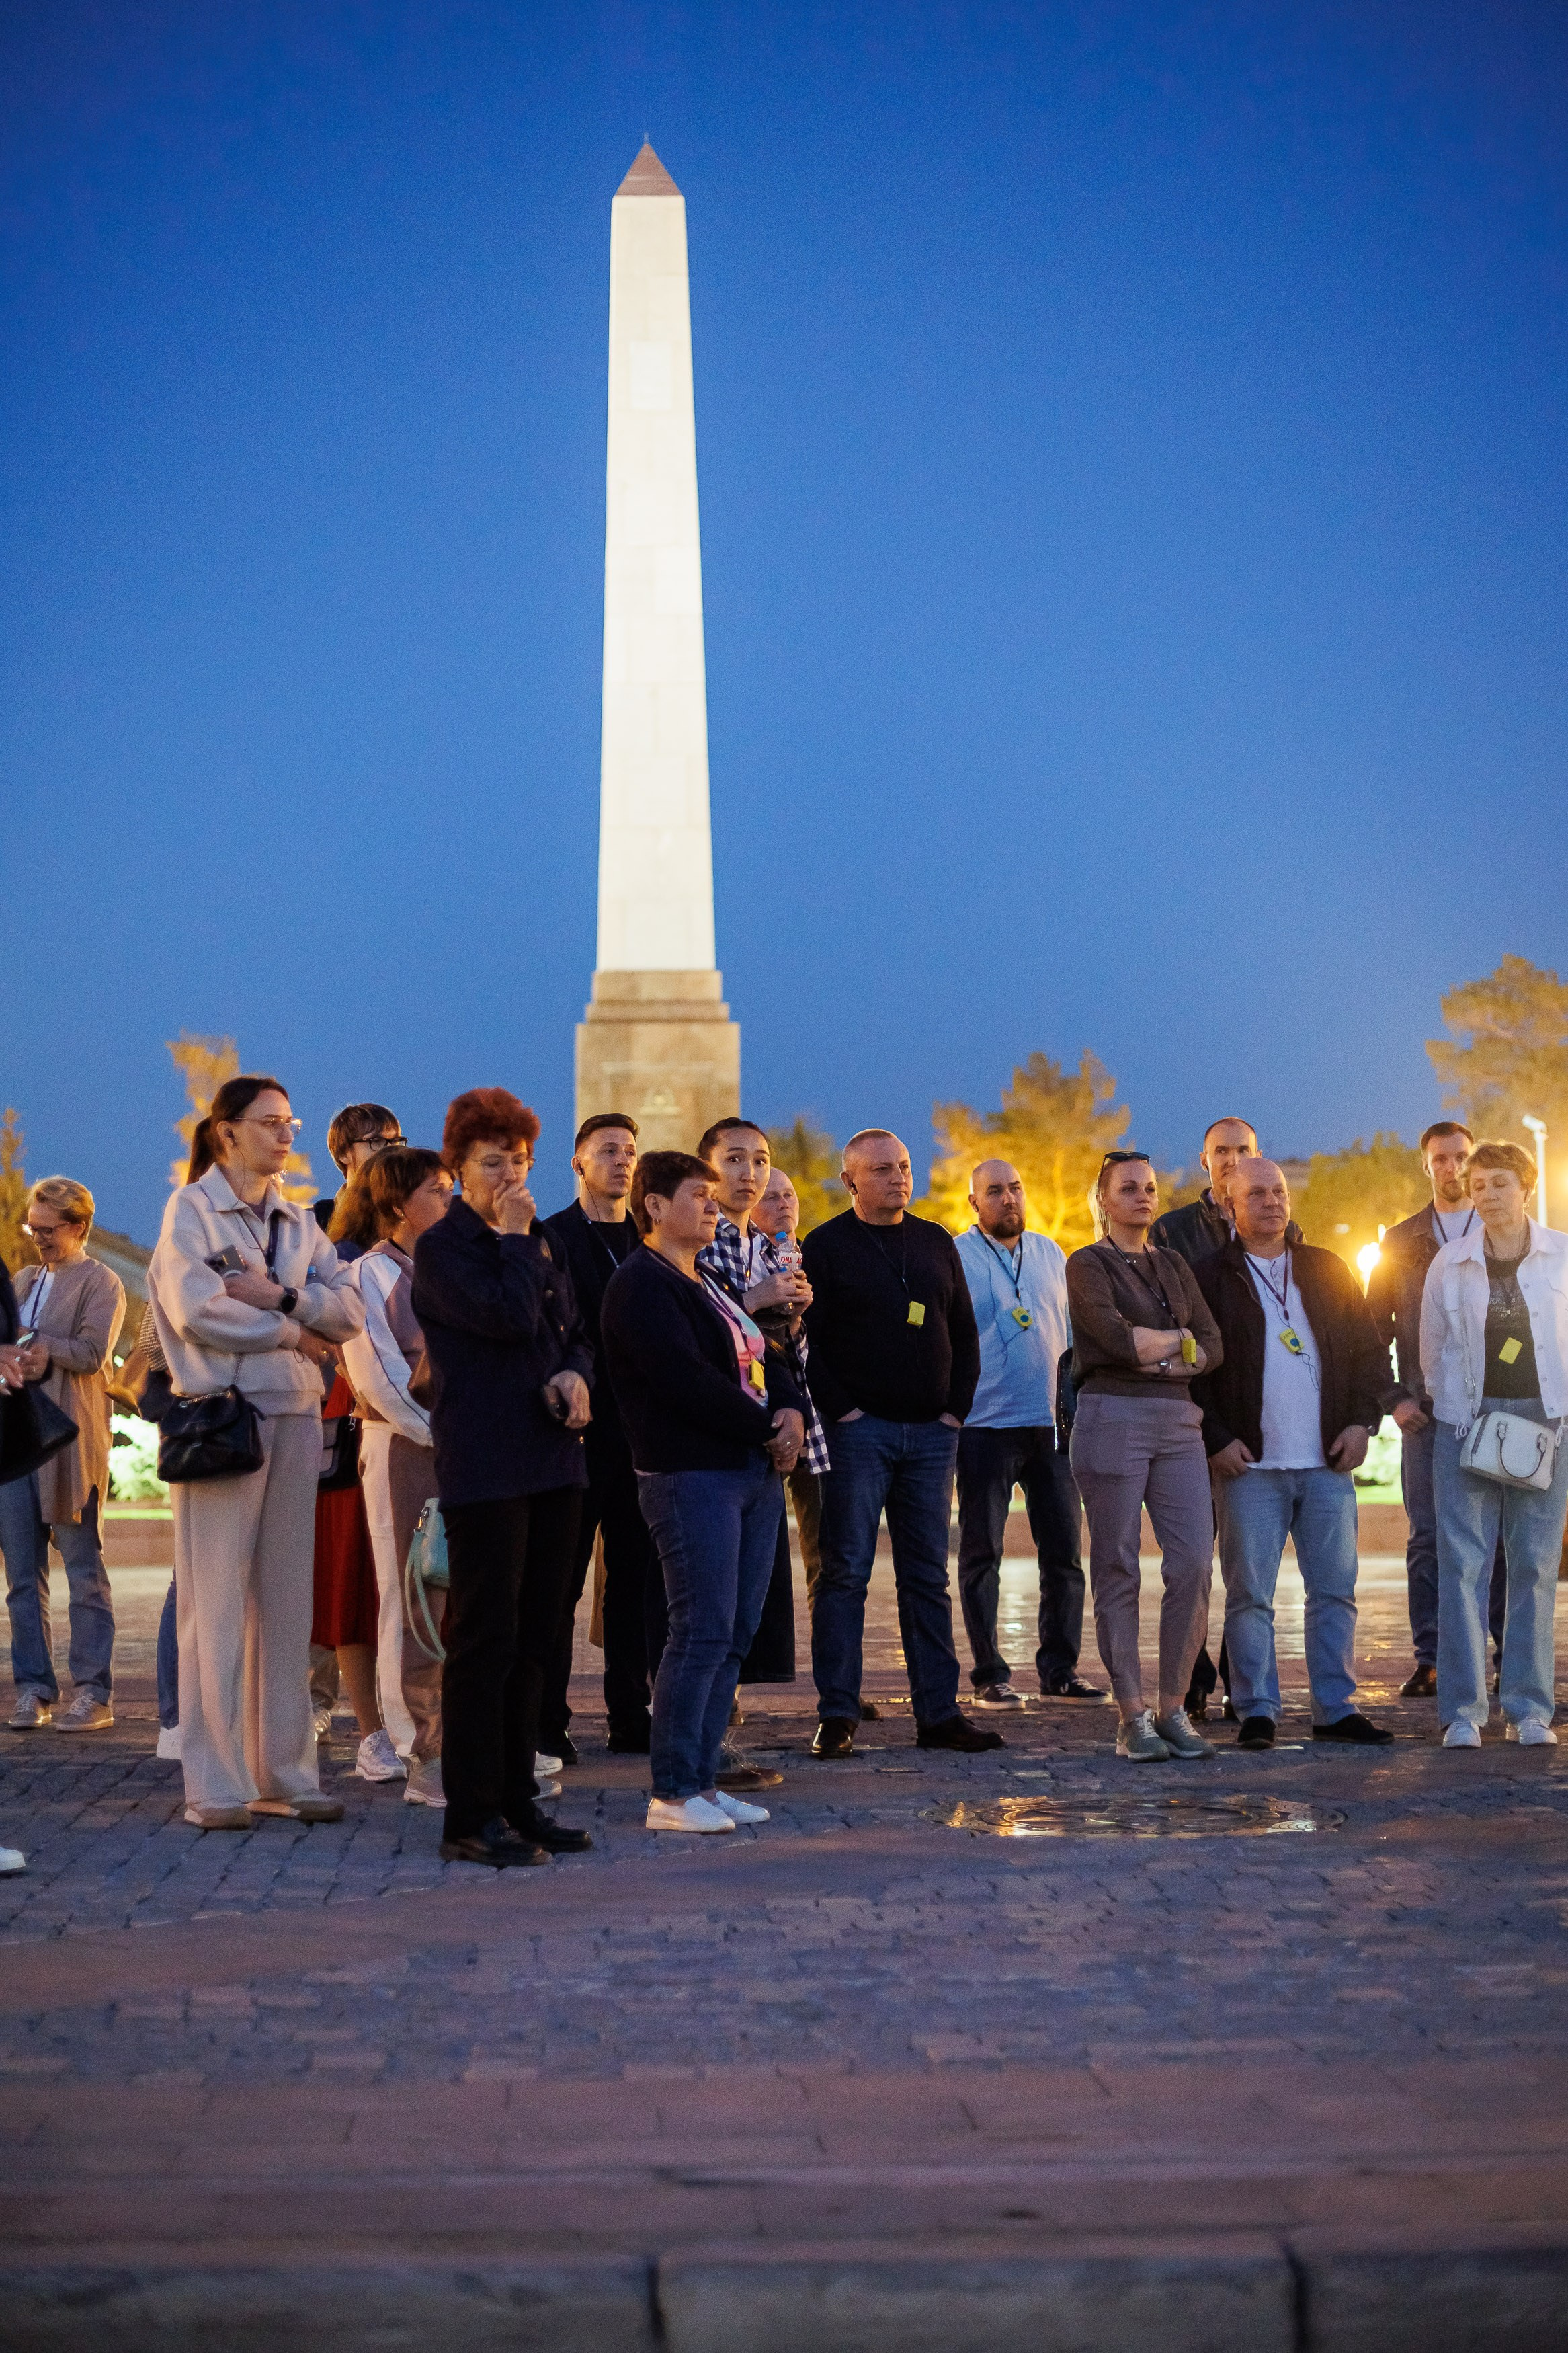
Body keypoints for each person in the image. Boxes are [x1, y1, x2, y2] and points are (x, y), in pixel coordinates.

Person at [147, 1075, 363, 1830]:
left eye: (290, 1121)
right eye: (270, 1122)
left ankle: (286, 1771)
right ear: (226, 1130)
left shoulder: (300, 1221)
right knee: (213, 1601)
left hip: (299, 1412)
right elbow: (197, 1308)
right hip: (222, 1418)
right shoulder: (192, 1210)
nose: (285, 1134)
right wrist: (295, 1332)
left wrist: (281, 1301)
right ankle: (213, 1781)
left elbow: (349, 1307)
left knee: (285, 1600)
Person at [410, 1087, 594, 1868]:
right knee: (484, 1640)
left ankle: (522, 1798)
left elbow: (568, 1330)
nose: (511, 1175)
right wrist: (518, 1239)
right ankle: (469, 1813)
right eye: (493, 1162)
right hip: (486, 1464)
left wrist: (578, 1376)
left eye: (519, 1160)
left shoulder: (540, 1239)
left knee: (539, 1637)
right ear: (458, 1168)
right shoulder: (445, 1248)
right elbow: (508, 1318)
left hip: (554, 1459)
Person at [600, 1150, 806, 1833]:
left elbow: (764, 1355)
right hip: (690, 1475)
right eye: (699, 1194)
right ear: (654, 1205)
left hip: (746, 1471)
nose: (714, 1206)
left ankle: (703, 1779)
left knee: (735, 1632)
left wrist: (790, 1412)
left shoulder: (705, 1280)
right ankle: (673, 1789)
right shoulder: (641, 1284)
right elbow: (682, 1380)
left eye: (715, 1197)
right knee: (698, 1630)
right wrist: (763, 1426)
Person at [800, 1129, 1001, 1760]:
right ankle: (837, 1713)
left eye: (905, 1167)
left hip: (932, 1435)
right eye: (882, 1169)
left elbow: (963, 1330)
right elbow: (807, 1343)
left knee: (926, 1578)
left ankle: (938, 1714)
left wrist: (955, 1408)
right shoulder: (827, 1246)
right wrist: (846, 1411)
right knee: (845, 1573)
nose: (898, 1178)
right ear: (850, 1180)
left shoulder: (936, 1240)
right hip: (861, 1433)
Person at [1194, 1156, 1393, 1750]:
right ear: (1230, 1206)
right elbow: (1195, 1370)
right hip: (1249, 1466)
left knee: (1334, 1590)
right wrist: (1216, 1439)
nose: (1272, 1202)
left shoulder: (1326, 1269)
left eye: (1278, 1191)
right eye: (1256, 1194)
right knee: (1249, 1595)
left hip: (1326, 1463)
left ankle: (1336, 1707)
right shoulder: (1208, 1277)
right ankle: (1256, 1708)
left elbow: (1367, 1355)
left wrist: (1362, 1423)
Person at [1065, 1152, 1223, 1761]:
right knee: (1117, 1567)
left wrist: (1157, 1350)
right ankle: (1132, 1715)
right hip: (1111, 1417)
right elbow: (1111, 1340)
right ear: (1102, 1199)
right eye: (1128, 1188)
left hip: (1180, 1422)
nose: (1142, 1196)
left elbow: (1212, 1344)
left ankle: (1174, 1707)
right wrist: (1169, 1348)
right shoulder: (1087, 1264)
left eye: (1149, 1187)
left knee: (1191, 1565)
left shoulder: (1175, 1264)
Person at [1421, 1138, 1568, 1750]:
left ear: (1525, 1187)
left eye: (1499, 1183)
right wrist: (1455, 1403)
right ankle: (1461, 1711)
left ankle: (1528, 1709)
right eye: (1478, 1185)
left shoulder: (1561, 1256)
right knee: (1461, 1565)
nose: (1486, 1195)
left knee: (1534, 1565)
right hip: (1466, 1423)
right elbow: (1431, 1352)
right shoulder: (1449, 1263)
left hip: (1546, 1423)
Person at [696, 1120, 827, 1773]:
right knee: (709, 1611)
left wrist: (792, 1311)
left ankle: (716, 1736)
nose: (749, 1173)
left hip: (770, 1439)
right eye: (735, 1159)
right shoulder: (696, 1244)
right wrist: (758, 1300)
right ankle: (691, 1753)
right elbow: (700, 1338)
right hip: (713, 1446)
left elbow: (780, 1355)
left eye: (761, 1160)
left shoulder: (768, 1246)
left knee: (747, 1607)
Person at [953, 1160, 1100, 1708]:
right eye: (994, 1191)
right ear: (973, 1203)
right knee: (980, 1556)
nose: (1008, 1198)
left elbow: (1067, 1334)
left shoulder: (1050, 1254)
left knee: (1063, 1556)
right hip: (983, 1426)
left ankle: (1060, 1669)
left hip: (1051, 1427)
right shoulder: (956, 1255)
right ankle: (990, 1674)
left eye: (1015, 1187)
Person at [1367, 1119, 1505, 1698]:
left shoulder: (1502, 1232)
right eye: (1440, 1160)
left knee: (1496, 1536)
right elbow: (1368, 1331)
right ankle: (1430, 1656)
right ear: (1425, 1166)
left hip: (1494, 1412)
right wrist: (1395, 1399)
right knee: (1427, 1539)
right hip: (1425, 1415)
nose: (1450, 1169)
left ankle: (1503, 1653)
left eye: (1460, 1158)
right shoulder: (1399, 1242)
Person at [540, 1113, 663, 1759]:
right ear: (578, 1162)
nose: (621, 1161)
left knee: (633, 1581)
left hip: (637, 1434)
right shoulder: (552, 1236)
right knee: (560, 1583)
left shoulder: (651, 1240)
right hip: (573, 1433)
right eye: (607, 1150)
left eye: (630, 1152)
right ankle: (546, 1721)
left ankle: (628, 1713)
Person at [341, 1146, 454, 1807]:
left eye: (450, 1188)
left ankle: (461, 1739)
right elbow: (379, 1379)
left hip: (463, 1452)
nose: (450, 1200)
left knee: (458, 1600)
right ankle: (419, 1751)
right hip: (405, 1448)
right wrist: (448, 1434)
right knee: (412, 1595)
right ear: (394, 1205)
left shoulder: (450, 1270)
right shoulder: (367, 1277)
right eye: (436, 1190)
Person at [0, 1179, 125, 1732]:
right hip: (16, 1441)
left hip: (70, 1444)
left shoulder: (104, 1282)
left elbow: (95, 1354)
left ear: (78, 1227)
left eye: (49, 1230)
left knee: (83, 1572)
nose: (38, 1239)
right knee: (22, 1579)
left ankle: (94, 1692)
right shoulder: (24, 1278)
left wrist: (42, 1349)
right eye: (34, 1227)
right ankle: (33, 1689)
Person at [313, 1103, 405, 1252]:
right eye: (376, 1141)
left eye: (395, 1141)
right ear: (344, 1154)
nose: (390, 1150)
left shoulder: (407, 1211)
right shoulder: (318, 1219)